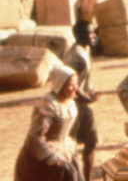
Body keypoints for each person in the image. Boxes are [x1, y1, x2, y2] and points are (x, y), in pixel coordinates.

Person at [15, 65, 84, 181]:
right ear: (60, 84)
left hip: (63, 151)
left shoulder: (70, 102)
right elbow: (34, 137)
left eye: (76, 84)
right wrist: (54, 159)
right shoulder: (48, 105)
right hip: (39, 159)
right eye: (71, 85)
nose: (75, 88)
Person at [63, 20, 100, 181]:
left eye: (93, 32)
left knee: (91, 142)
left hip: (81, 105)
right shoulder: (76, 55)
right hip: (76, 106)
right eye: (88, 33)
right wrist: (84, 96)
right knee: (74, 145)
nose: (93, 36)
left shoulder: (83, 50)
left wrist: (90, 92)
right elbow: (70, 82)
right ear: (78, 35)